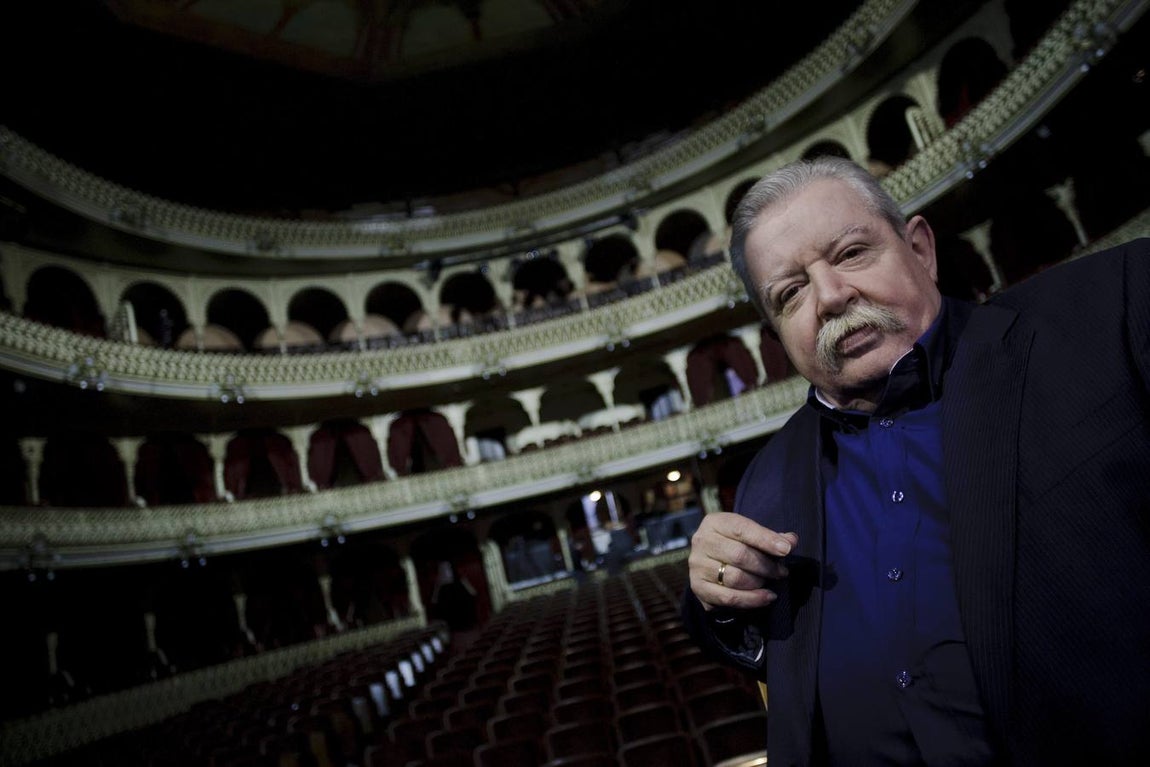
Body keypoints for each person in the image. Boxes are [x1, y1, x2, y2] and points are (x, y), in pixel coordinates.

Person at [682, 156, 1150, 766]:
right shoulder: (767, 476)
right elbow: (773, 645)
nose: (829, 296)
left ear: (920, 249)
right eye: (790, 293)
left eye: (851, 253)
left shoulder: (1110, 310)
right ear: (775, 335)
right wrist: (713, 596)